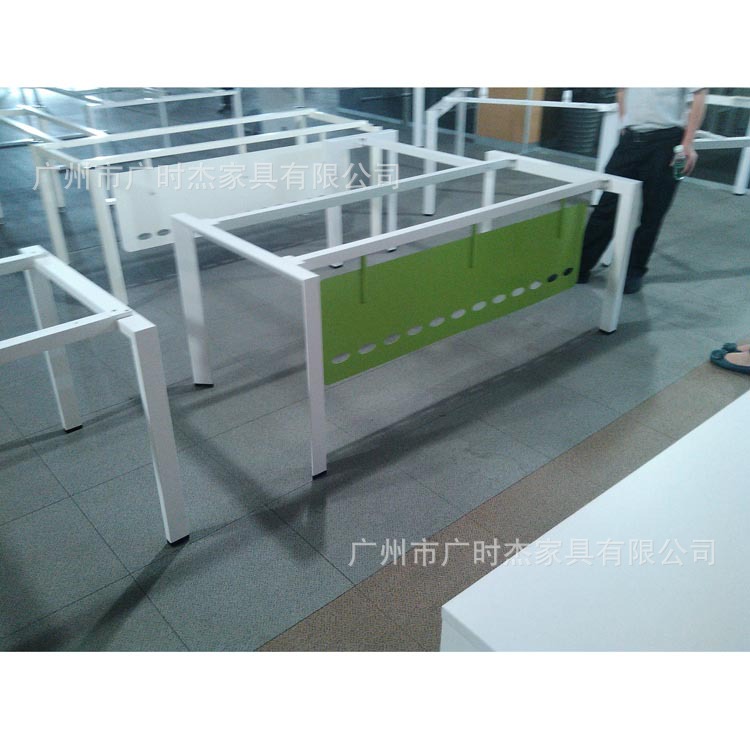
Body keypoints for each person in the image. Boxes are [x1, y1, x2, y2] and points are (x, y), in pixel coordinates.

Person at [577, 88, 708, 294]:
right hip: (631, 140)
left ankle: (633, 272)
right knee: (607, 206)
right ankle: (580, 266)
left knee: (653, 214)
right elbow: (621, 91)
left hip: (666, 143)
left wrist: (687, 144)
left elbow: (699, 96)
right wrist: (624, 122)